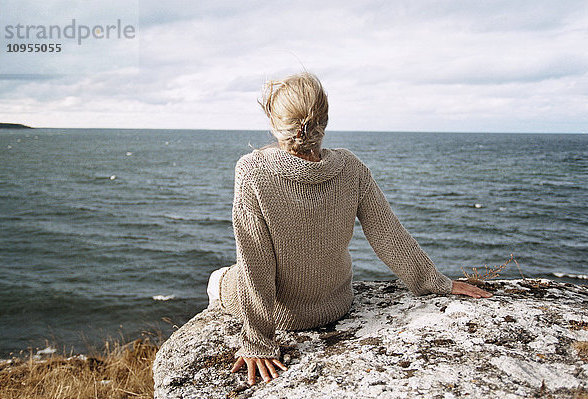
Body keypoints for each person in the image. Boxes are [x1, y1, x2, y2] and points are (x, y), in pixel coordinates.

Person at [206, 72, 492, 386]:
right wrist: (436, 282)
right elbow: (388, 234)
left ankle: (215, 286)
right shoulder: (351, 166)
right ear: (324, 122)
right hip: (336, 305)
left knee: (219, 278)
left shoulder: (252, 170)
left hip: (282, 314)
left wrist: (258, 341)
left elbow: (255, 262)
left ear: (276, 124)